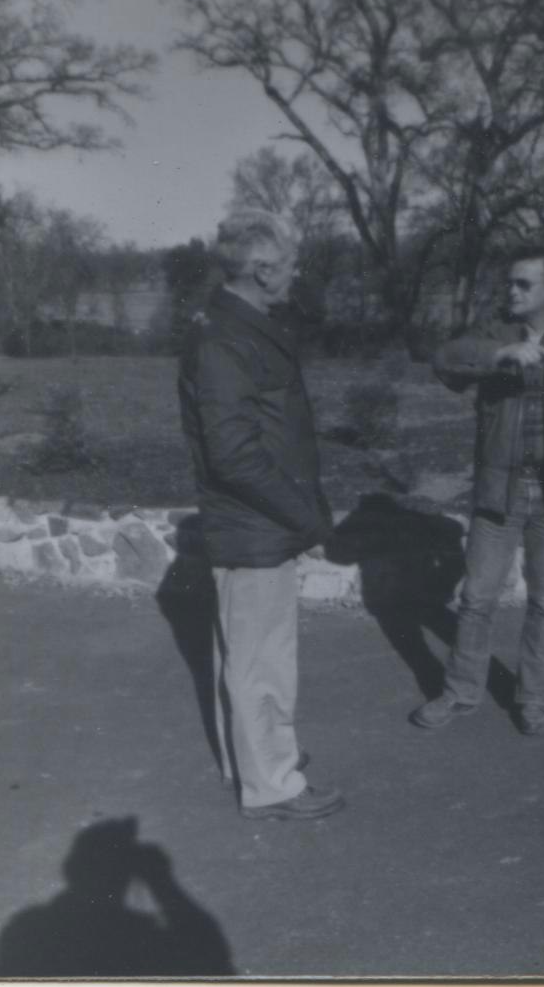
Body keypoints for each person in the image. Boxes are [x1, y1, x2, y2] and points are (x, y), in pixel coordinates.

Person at [413, 246, 544, 736]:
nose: (511, 291)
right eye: (509, 282)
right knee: (476, 599)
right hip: (498, 491)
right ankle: (460, 691)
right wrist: (499, 355)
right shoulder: (494, 333)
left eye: (523, 284)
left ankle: (534, 699)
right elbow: (443, 360)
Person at [177, 209, 343, 820]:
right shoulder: (225, 339)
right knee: (261, 661)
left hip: (259, 522)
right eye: (291, 265)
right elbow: (234, 455)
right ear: (264, 270)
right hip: (254, 525)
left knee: (250, 656)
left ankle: (255, 761)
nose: (296, 275)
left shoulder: (240, 326)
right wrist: (308, 519)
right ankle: (273, 784)